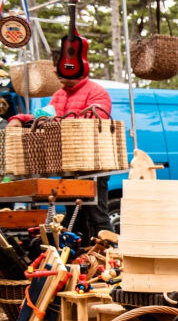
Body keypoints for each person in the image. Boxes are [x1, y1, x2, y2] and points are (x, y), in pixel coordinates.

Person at [7, 51, 114, 238]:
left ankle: (110, 258)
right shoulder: (58, 95)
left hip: (92, 167)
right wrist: (20, 118)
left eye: (58, 67)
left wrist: (58, 121)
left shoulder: (97, 92)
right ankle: (82, 261)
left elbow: (96, 120)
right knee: (75, 219)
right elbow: (44, 115)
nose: (55, 71)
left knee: (97, 217)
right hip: (68, 167)